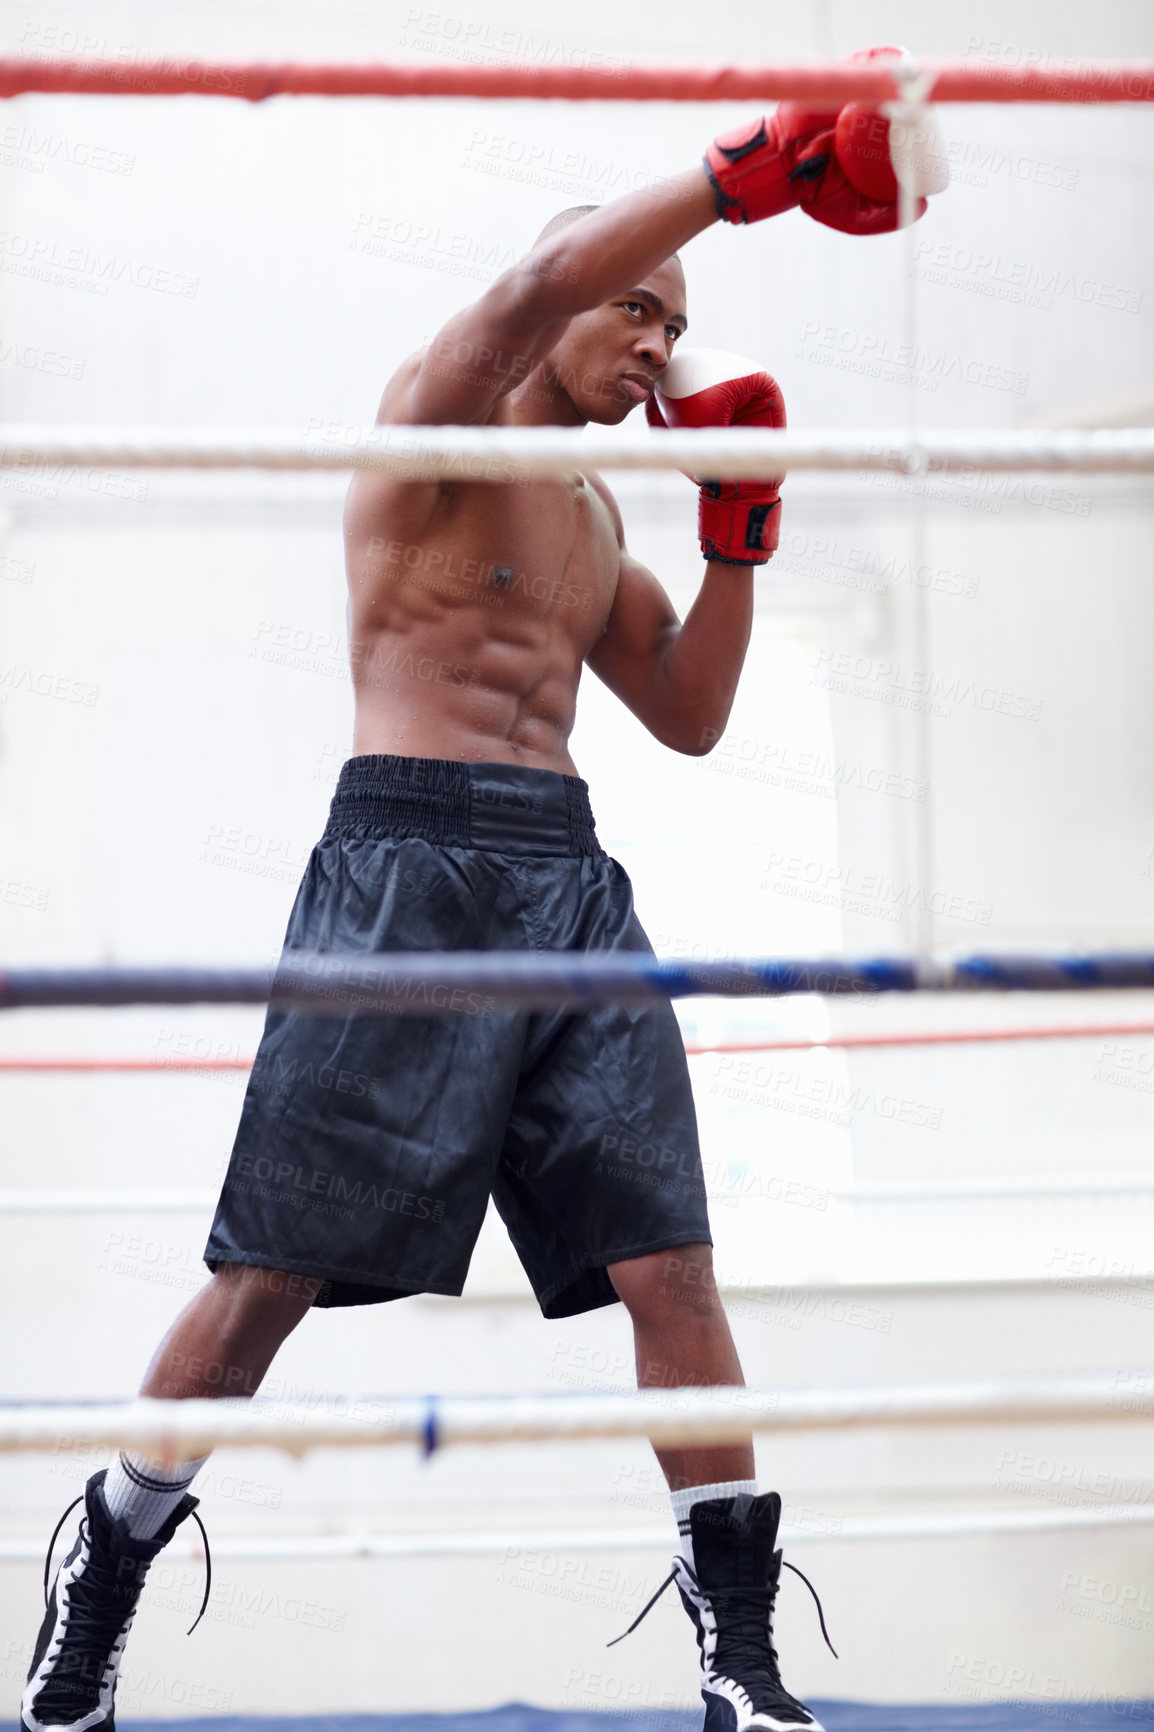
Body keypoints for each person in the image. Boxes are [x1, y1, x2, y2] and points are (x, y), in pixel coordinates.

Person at [21, 59, 942, 1732]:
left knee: (670, 1269)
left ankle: (740, 1663)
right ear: (578, 297)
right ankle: (98, 1583)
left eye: (676, 326)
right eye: (638, 310)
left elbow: (687, 714)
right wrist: (741, 178)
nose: (657, 345)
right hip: (403, 873)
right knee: (267, 1287)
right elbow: (527, 290)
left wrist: (738, 538)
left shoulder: (598, 522)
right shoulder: (434, 424)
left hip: (572, 885)